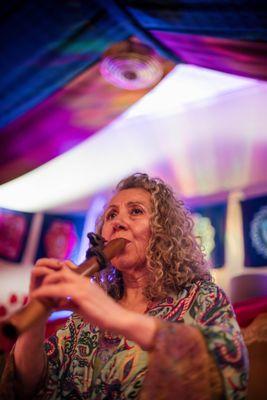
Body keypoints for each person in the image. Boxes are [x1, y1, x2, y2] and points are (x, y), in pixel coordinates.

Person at [0, 173, 248, 399]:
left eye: (136, 211)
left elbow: (228, 369)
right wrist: (37, 314)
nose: (117, 222)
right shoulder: (84, 319)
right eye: (111, 215)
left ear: (163, 232)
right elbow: (32, 385)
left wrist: (117, 318)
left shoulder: (201, 296)